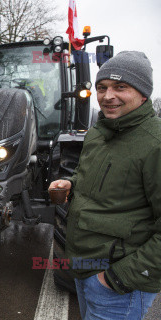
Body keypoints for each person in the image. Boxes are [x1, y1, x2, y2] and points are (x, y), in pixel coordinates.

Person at [50, 51, 159, 319]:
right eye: (102, 87)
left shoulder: (154, 144)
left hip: (118, 285)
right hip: (85, 269)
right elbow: (99, 181)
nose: (108, 96)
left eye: (121, 87)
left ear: (143, 93)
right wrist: (72, 184)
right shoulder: (100, 133)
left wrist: (115, 278)